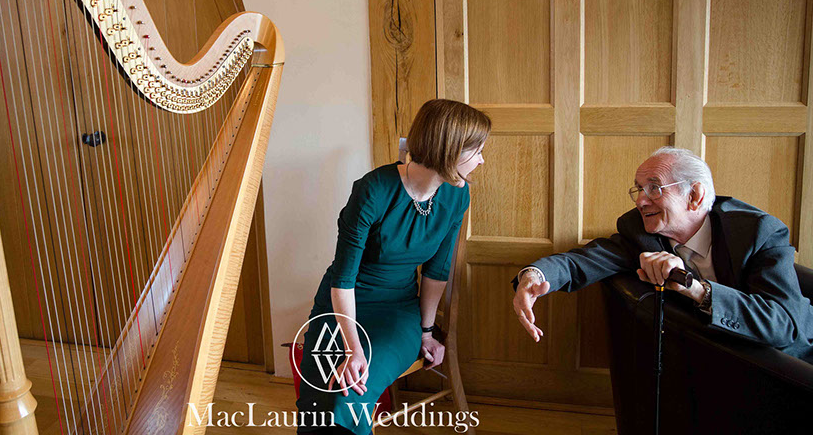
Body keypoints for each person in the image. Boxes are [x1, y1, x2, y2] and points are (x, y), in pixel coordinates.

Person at [295, 99, 491, 435]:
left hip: (397, 313)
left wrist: (427, 332)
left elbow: (437, 272)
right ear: (448, 150)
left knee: (350, 394)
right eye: (476, 151)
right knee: (317, 406)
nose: (481, 160)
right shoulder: (372, 190)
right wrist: (353, 348)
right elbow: (343, 280)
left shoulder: (457, 196)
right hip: (340, 308)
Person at [511, 146, 813, 361]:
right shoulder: (639, 231)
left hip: (786, 365)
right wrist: (535, 276)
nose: (641, 201)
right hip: (713, 365)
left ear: (694, 196)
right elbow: (581, 260)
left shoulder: (759, 233)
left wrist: (697, 290)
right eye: (638, 188)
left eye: (654, 188)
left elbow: (784, 326)